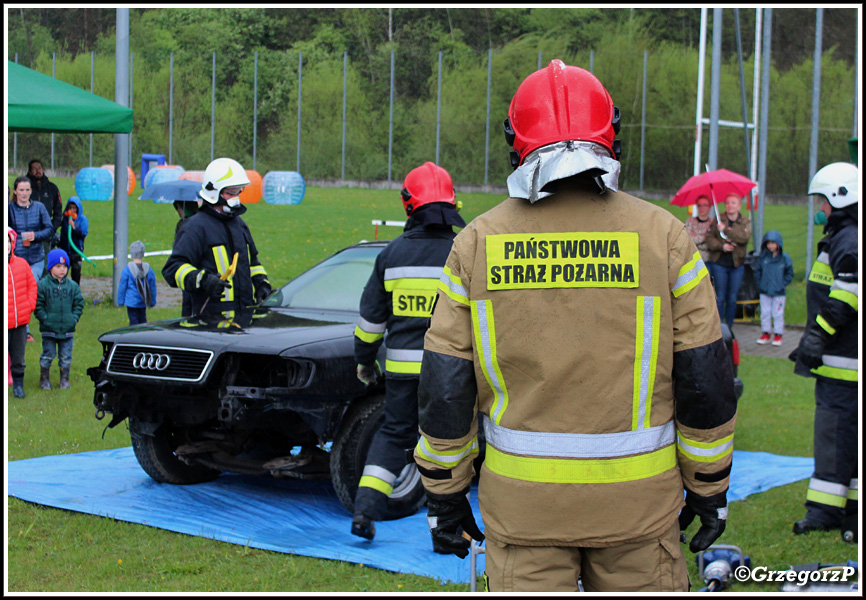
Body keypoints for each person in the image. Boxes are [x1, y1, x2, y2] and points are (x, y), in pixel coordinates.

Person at [413, 59, 737, 592]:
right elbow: (704, 377)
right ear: (611, 134)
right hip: (639, 511)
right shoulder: (664, 237)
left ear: (515, 141)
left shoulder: (476, 243)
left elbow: (446, 384)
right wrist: (708, 488)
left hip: (524, 514)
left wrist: (444, 495)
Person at [350, 161, 466, 541]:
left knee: (393, 436)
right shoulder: (464, 250)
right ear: (452, 205)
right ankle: (443, 532)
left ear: (407, 205)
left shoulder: (392, 255)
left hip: (401, 373)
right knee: (444, 447)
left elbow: (370, 326)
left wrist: (365, 365)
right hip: (450, 374)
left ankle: (365, 513)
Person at [790, 162, 858, 539]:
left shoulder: (848, 240)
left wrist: (816, 337)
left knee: (834, 436)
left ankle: (825, 513)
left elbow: (847, 297)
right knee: (848, 438)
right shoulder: (845, 236)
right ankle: (848, 512)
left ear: (839, 198)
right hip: (844, 360)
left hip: (843, 364)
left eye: (823, 200)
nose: (820, 208)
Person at [162, 158, 272, 318]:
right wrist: (204, 280)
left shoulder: (239, 224)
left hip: (243, 317)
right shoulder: (196, 227)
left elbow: (252, 263)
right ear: (213, 191)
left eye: (238, 191)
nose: (235, 197)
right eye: (230, 192)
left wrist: (262, 284)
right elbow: (173, 269)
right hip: (209, 320)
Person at [9, 175, 54, 342]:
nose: (24, 193)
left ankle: (35, 320)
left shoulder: (40, 208)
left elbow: (49, 229)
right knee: (19, 291)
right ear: (15, 191)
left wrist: (36, 235)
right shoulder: (9, 209)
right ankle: (25, 329)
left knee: (31, 288)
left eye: (27, 190)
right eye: (21, 190)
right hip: (17, 259)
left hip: (36, 258)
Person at [34, 249, 84, 391]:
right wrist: (45, 319)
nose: (62, 270)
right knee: (48, 355)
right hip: (49, 329)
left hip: (67, 330)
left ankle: (64, 380)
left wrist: (73, 319)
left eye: (64, 266)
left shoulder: (72, 286)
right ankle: (44, 380)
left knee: (66, 356)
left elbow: (79, 304)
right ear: (50, 268)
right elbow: (38, 305)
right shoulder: (43, 285)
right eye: (58, 266)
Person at [704, 193, 752, 329]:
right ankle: (718, 327)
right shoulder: (718, 220)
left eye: (733, 203)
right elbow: (709, 239)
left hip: (737, 265)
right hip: (720, 264)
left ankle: (729, 326)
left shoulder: (745, 222)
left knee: (732, 298)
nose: (730, 206)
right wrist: (721, 246)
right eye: (727, 203)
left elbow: (744, 238)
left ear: (739, 206)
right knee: (720, 297)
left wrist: (726, 230)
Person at [7, 227, 38, 398]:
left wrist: (28, 305)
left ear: (12, 243)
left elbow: (32, 286)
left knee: (18, 357)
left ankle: (18, 386)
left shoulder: (22, 264)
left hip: (20, 322)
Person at [751, 230, 794, 346]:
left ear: (778, 244)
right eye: (768, 243)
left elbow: (789, 273)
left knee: (777, 314)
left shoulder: (784, 258)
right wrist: (760, 285)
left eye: (773, 243)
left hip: (779, 292)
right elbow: (757, 272)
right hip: (764, 291)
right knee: (765, 313)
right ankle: (765, 333)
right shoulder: (762, 258)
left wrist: (782, 284)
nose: (771, 246)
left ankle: (778, 334)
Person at [26, 159, 64, 248]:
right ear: (30, 171)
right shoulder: (25, 188)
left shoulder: (52, 188)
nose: (38, 171)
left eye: (39, 168)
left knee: (46, 258)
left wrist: (52, 229)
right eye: (34, 168)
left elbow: (58, 211)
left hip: (47, 233)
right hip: (29, 232)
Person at [118, 240, 158, 325]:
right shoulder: (148, 269)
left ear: (131, 253)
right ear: (143, 253)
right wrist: (152, 301)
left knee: (133, 322)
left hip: (131, 302)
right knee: (143, 320)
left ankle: (133, 337)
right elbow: (152, 286)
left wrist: (120, 301)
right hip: (143, 300)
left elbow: (122, 286)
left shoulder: (127, 269)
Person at [173, 199, 199, 318]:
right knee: (186, 299)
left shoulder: (198, 222)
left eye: (179, 208)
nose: (178, 211)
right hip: (185, 267)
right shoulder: (181, 224)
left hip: (196, 266)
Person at [56, 196, 89, 286]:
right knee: (61, 276)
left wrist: (74, 228)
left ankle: (75, 295)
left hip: (76, 252)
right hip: (64, 252)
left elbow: (83, 234)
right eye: (70, 208)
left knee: (76, 276)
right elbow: (56, 226)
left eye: (74, 208)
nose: (72, 210)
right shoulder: (65, 219)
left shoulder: (82, 220)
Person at [684, 195, 714, 263]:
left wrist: (696, 236)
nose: (702, 208)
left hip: (708, 259)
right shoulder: (690, 221)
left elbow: (711, 243)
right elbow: (689, 240)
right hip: (693, 258)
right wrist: (705, 236)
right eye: (699, 205)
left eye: (704, 205)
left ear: (709, 207)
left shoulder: (712, 223)